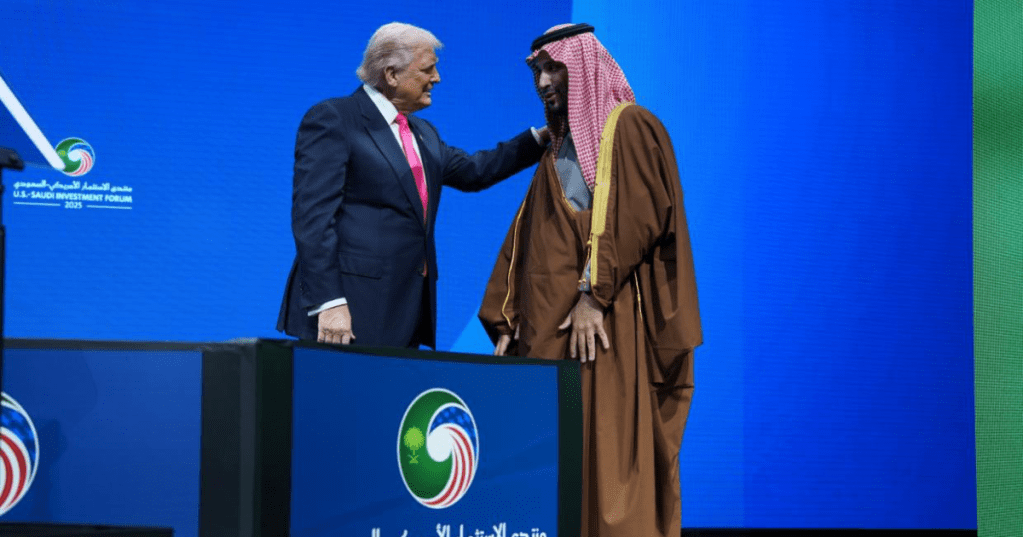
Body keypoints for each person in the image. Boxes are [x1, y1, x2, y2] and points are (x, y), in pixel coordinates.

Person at [478, 24, 702, 537]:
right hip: (547, 339)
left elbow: (637, 219)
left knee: (607, 462)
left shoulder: (631, 128)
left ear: (583, 67)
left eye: (553, 67)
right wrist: (507, 316)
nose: (542, 82)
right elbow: (525, 237)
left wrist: (594, 297)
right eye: (537, 71)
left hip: (603, 334)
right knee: (552, 474)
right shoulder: (553, 155)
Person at [278, 22, 547, 348]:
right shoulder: (335, 119)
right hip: (348, 309)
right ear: (391, 75)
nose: (437, 78)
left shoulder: (424, 134)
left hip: (404, 310)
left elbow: (477, 171)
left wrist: (540, 139)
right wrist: (330, 302)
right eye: (428, 69)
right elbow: (313, 218)